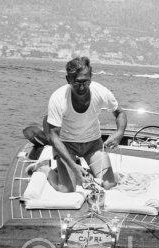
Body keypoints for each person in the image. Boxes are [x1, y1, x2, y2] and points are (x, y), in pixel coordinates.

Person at [43, 56, 127, 192]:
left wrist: (119, 133)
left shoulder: (101, 92)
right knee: (67, 189)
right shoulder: (57, 98)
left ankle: (80, 169)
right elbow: (54, 136)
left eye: (86, 82)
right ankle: (45, 169)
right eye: (77, 82)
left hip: (93, 145)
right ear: (68, 80)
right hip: (66, 145)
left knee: (109, 186)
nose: (82, 87)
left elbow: (120, 113)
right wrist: (73, 166)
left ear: (91, 77)